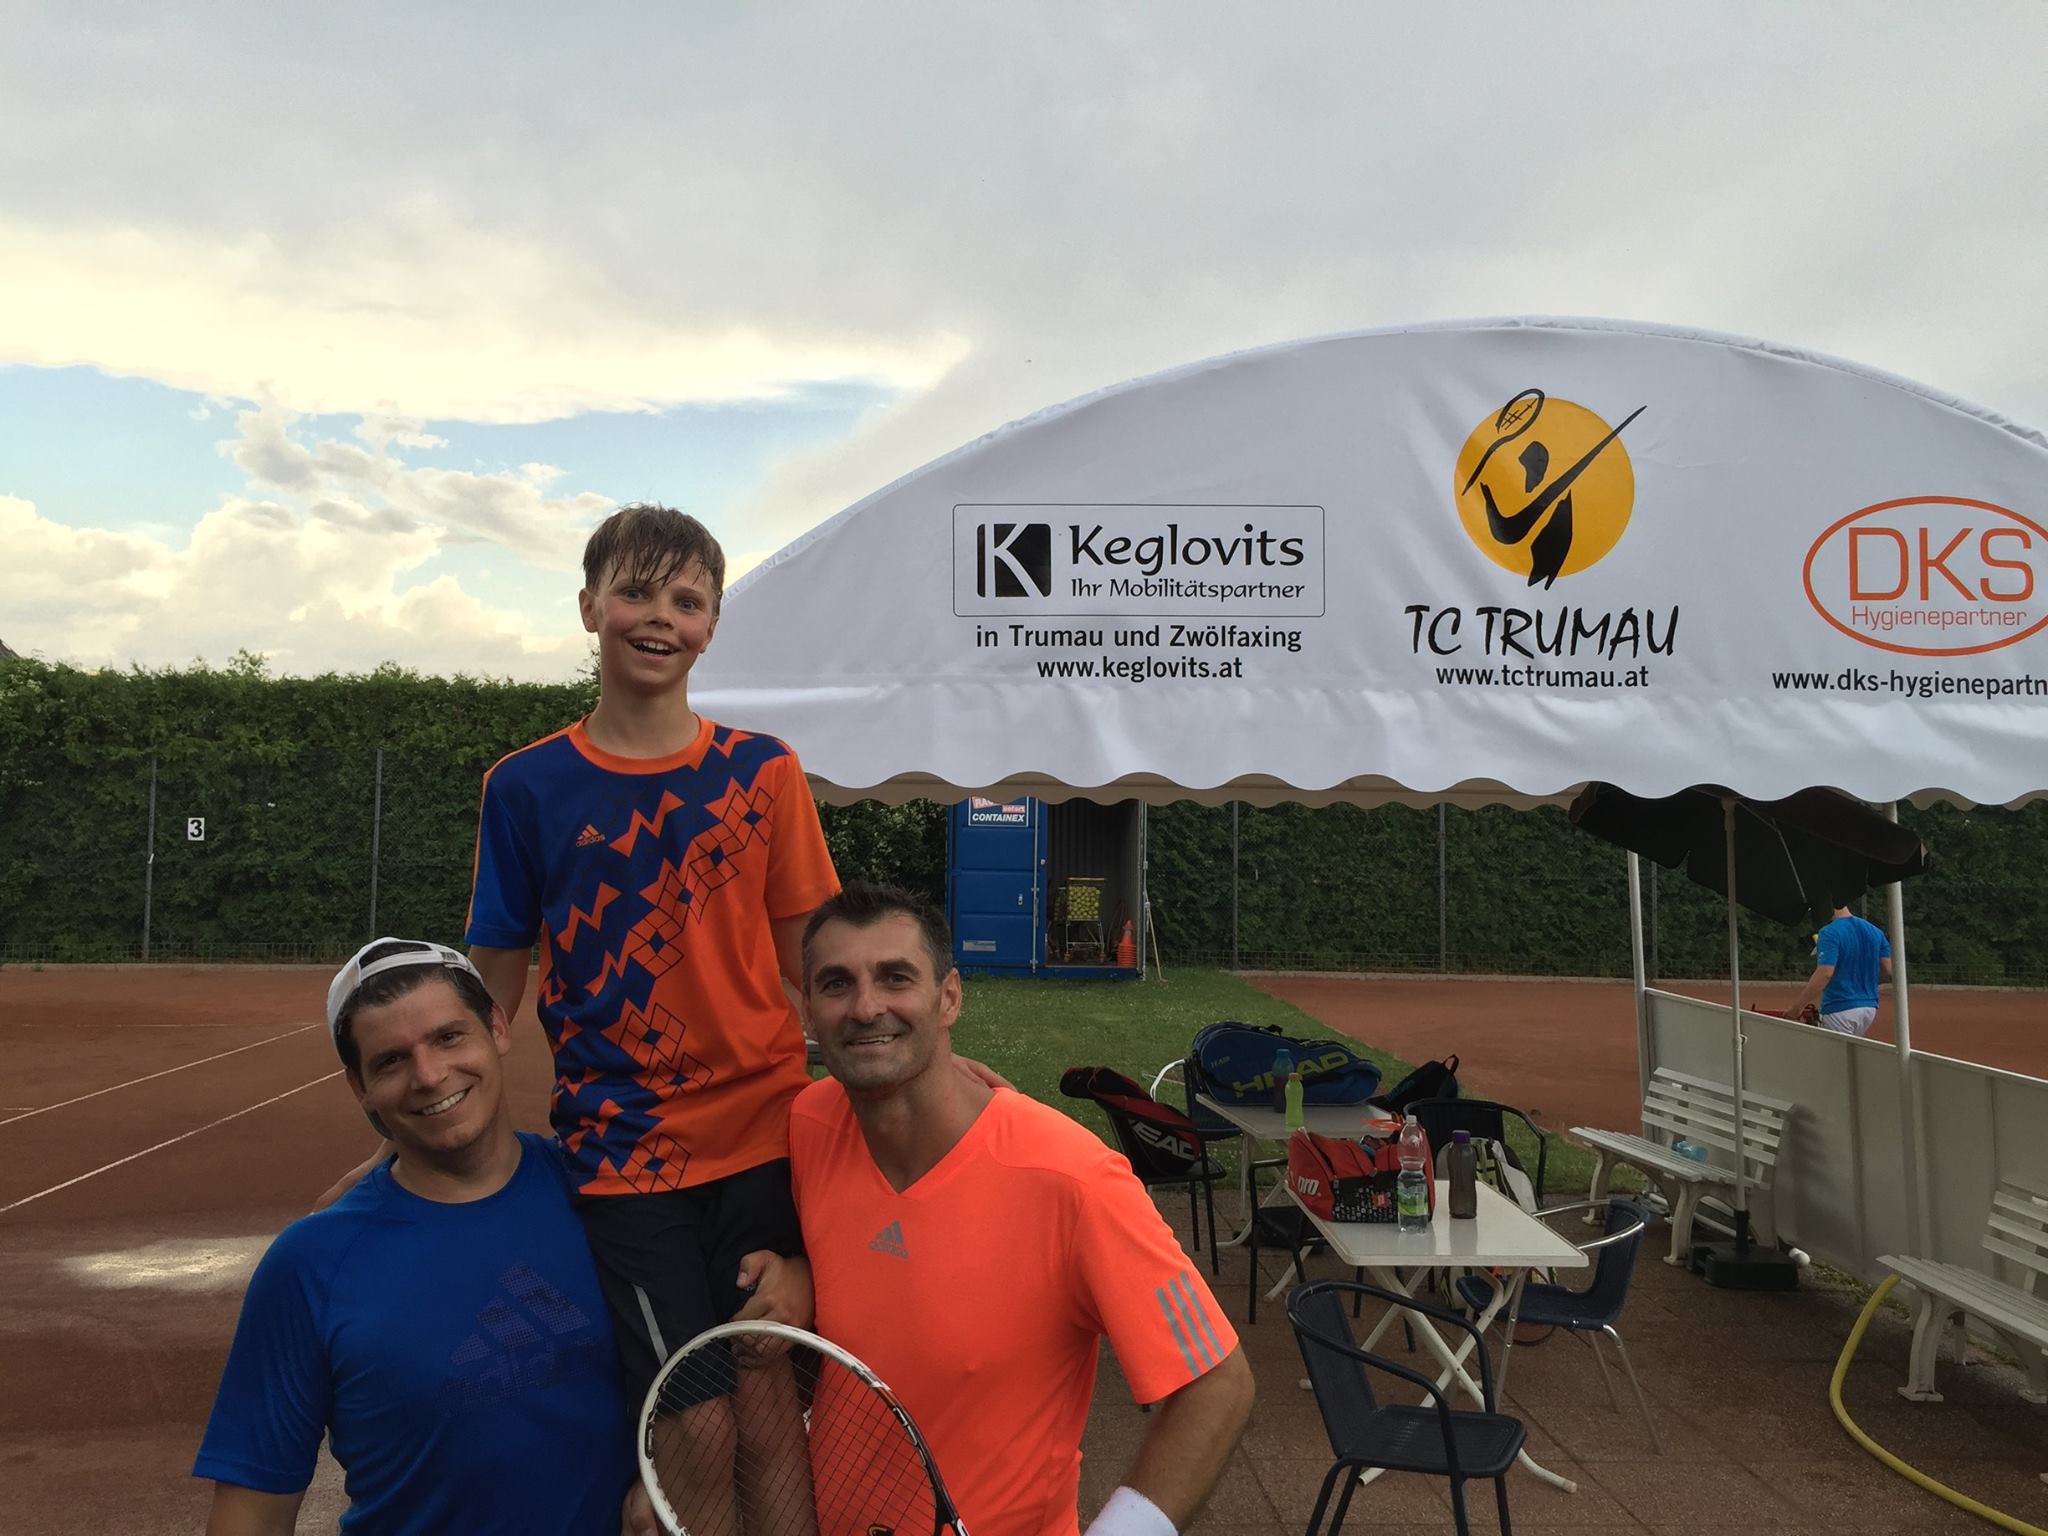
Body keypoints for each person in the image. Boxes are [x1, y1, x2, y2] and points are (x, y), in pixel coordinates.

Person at [791, 881, 1255, 1536]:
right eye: (836, 984)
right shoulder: (808, 1124)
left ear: (949, 997)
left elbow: (1219, 1385)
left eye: (896, 977)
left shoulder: (1074, 1179)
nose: (866, 1007)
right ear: (809, 1014)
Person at [194, 939, 634, 1535]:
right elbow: (251, 1515)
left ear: (497, 1027)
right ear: (359, 1087)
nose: (429, 1076)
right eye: (391, 1061)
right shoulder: (308, 1265)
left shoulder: (609, 1197)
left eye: (449, 1037)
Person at [1787, 894, 1893, 1037]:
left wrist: (1797, 1007)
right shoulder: (1875, 931)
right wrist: (1862, 982)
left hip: (1839, 1007)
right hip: (1869, 1008)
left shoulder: (1829, 932)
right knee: (1850, 1049)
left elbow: (1825, 973)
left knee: (1833, 1051)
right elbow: (1888, 971)